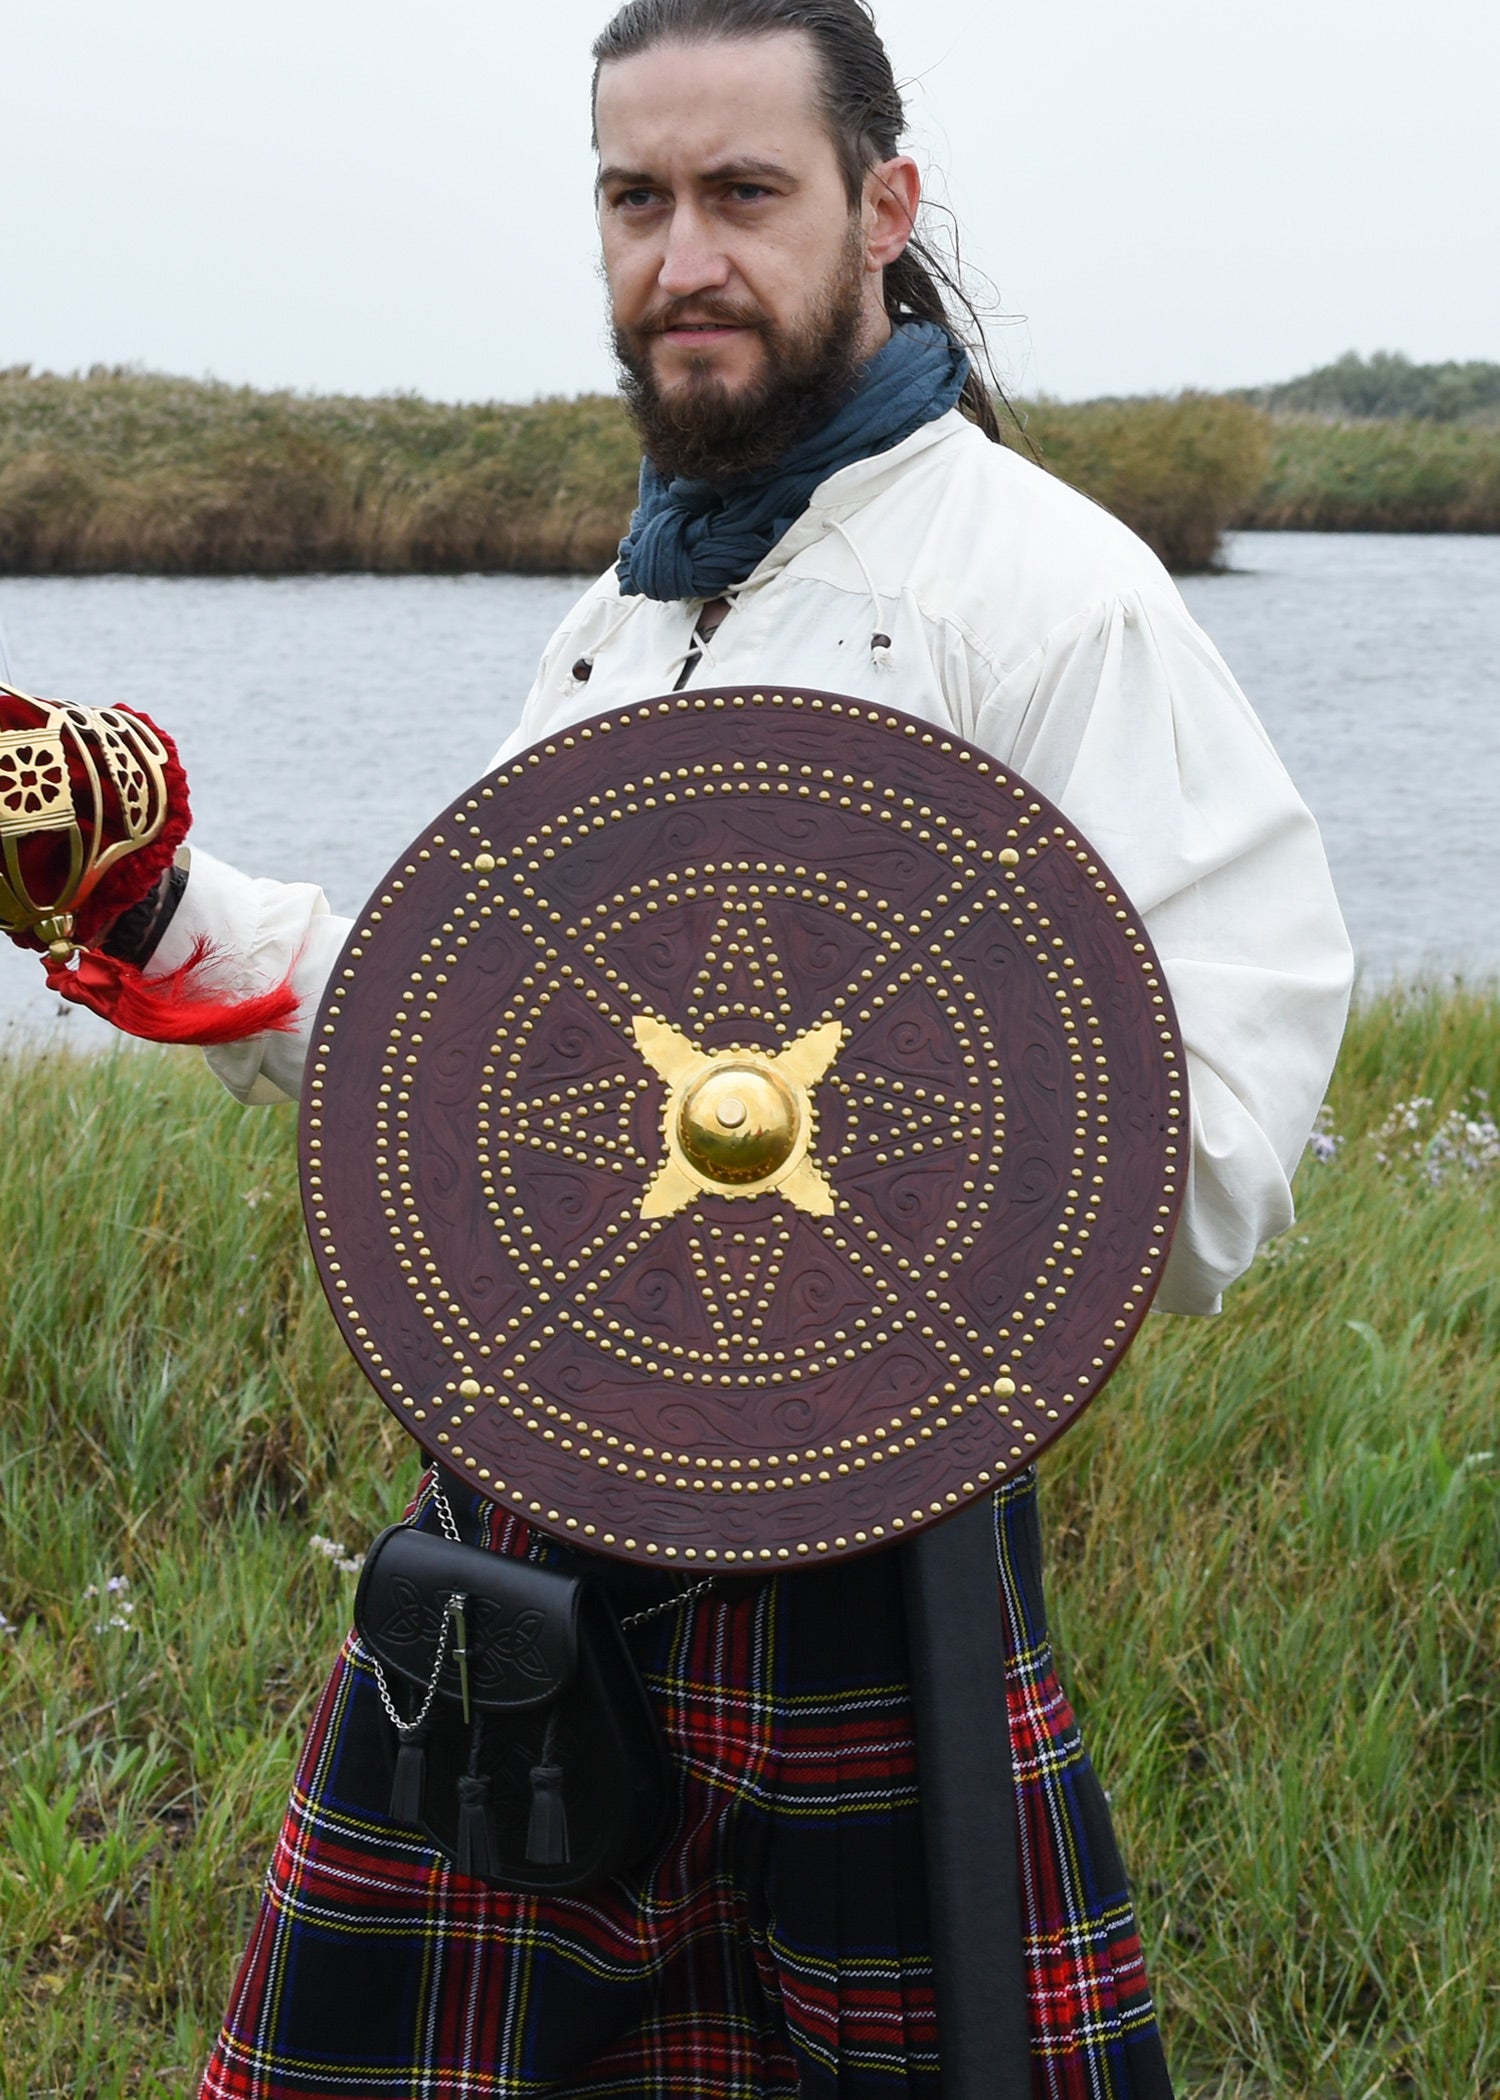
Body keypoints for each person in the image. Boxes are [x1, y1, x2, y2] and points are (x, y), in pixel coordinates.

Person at [111, 3, 1351, 2094]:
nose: (682, 256)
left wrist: (800, 1134)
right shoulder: (628, 608)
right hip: (523, 1544)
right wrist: (148, 902)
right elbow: (463, 1051)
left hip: (872, 1578)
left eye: (743, 195)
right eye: (635, 197)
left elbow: (1213, 1162)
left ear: (884, 211)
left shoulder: (1055, 604)